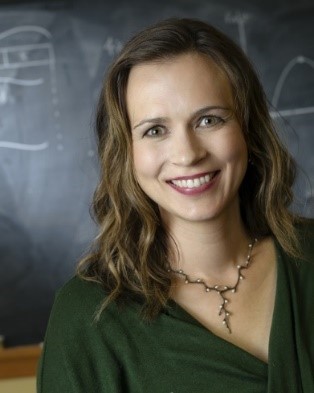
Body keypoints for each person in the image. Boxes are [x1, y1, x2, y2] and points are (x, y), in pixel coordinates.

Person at [37, 18, 314, 392]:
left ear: (247, 128)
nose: (187, 154)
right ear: (127, 153)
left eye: (209, 120)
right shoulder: (87, 316)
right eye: (155, 130)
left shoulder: (308, 258)